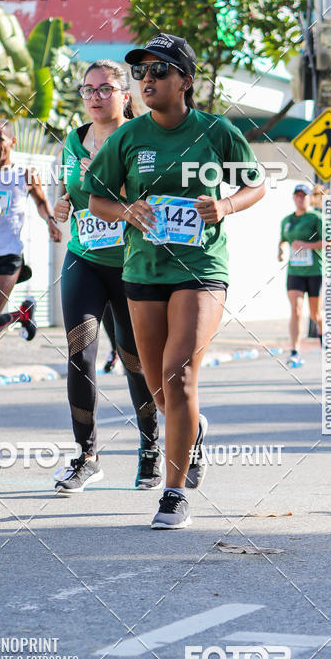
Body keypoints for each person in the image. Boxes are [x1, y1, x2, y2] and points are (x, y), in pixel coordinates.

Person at [85, 34, 265, 528]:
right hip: (143, 269)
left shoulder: (216, 131)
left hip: (201, 268)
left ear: (185, 80)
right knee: (158, 383)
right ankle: (193, 428)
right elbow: (92, 197)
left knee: (179, 372)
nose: (148, 80)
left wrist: (223, 205)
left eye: (160, 71)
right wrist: (126, 209)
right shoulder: (128, 137)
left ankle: (174, 492)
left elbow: (256, 183)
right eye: (142, 73)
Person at [54, 59, 160, 492]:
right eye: (88, 90)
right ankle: (86, 455)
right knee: (79, 354)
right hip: (84, 258)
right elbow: (71, 191)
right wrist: (63, 202)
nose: (96, 97)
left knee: (136, 362)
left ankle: (151, 450)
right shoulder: (74, 140)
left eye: (105, 89)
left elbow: (145, 196)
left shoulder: (141, 138)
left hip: (132, 264)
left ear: (124, 95)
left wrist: (109, 185)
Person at [0, 119, 62, 409]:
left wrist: (50, 221)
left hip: (9, 256)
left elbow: (40, 201)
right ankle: (22, 314)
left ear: (12, 141)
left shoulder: (23, 173)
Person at [278, 184, 324, 367]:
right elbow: (283, 239)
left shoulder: (316, 218)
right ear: (293, 198)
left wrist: (306, 245)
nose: (300, 198)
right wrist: (280, 250)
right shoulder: (287, 220)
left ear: (310, 198)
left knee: (315, 314)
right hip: (295, 272)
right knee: (296, 310)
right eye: (297, 195)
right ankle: (295, 351)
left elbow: (328, 242)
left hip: (314, 271)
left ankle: (323, 338)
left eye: (303, 196)